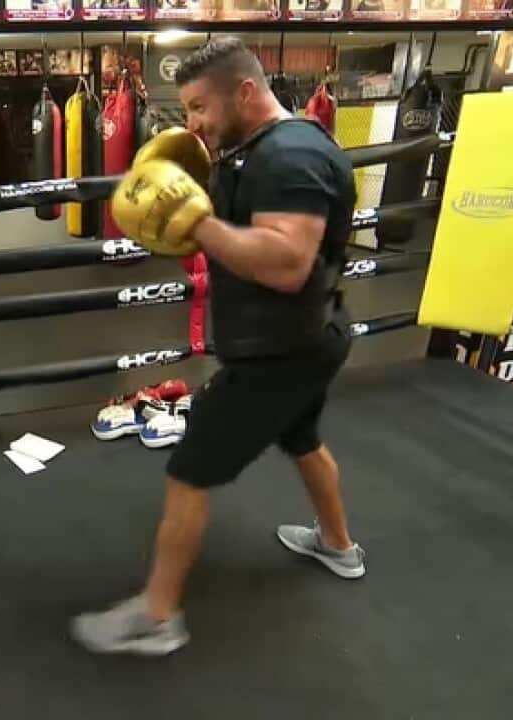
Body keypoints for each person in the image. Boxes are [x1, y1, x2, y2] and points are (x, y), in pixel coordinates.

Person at [71, 37, 364, 655]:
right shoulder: (258, 149)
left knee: (189, 470)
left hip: (278, 354)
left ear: (246, 91)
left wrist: (194, 220)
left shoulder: (290, 156)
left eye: (200, 107)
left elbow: (286, 262)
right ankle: (338, 546)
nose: (194, 123)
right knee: (302, 438)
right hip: (308, 336)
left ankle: (157, 615)